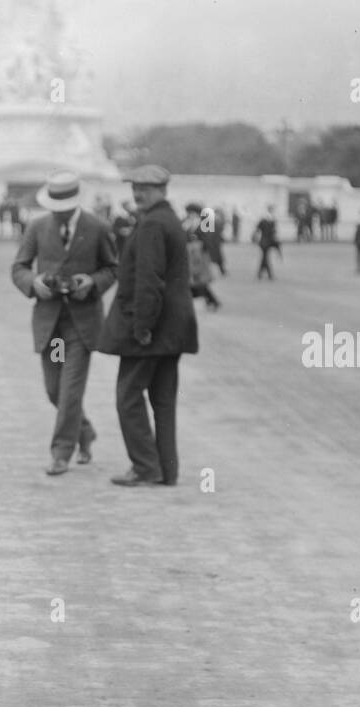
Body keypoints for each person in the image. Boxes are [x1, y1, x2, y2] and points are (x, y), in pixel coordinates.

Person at [10, 170, 117, 476]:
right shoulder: (37, 227)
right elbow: (18, 267)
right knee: (54, 390)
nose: (59, 214)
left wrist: (92, 282)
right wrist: (35, 282)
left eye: (65, 209)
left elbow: (113, 268)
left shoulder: (97, 227)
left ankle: (61, 452)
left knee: (71, 390)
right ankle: (85, 432)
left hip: (81, 326)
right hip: (52, 326)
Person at [99, 165, 198, 487]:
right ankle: (166, 470)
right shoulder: (166, 219)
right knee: (163, 400)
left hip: (152, 329)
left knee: (128, 396)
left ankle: (145, 467)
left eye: (145, 188)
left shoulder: (153, 224)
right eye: (135, 187)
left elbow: (148, 281)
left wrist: (142, 327)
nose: (138, 193)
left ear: (162, 190)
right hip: (173, 328)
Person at [253, 206, 279, 280]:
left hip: (265, 241)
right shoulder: (269, 220)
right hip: (265, 242)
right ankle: (269, 274)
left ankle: (260, 273)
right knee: (265, 257)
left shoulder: (267, 220)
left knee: (264, 257)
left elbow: (258, 229)